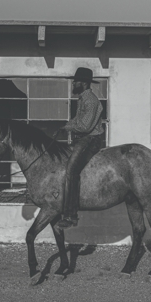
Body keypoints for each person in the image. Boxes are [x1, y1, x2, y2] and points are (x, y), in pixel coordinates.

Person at [57, 67, 104, 228]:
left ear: (83, 83)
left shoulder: (91, 101)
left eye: (76, 81)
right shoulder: (83, 99)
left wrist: (67, 128)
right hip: (83, 138)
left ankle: (70, 215)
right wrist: (65, 126)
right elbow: (77, 120)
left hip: (90, 139)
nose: (73, 83)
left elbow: (84, 126)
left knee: (71, 169)